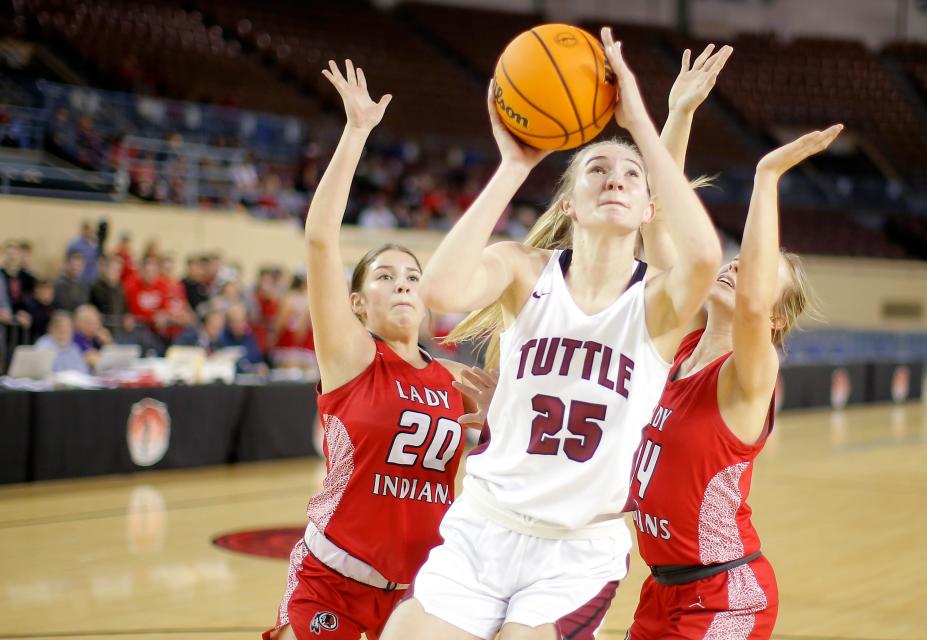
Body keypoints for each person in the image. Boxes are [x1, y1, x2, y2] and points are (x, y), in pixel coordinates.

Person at [381, 28, 723, 640]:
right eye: (597, 167)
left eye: (632, 174)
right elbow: (440, 290)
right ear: (568, 202)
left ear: (650, 209)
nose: (615, 178)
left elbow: (702, 256)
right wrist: (516, 164)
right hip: (483, 525)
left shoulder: (657, 303)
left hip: (577, 549)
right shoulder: (523, 269)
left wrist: (646, 121)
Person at [264, 60, 478, 640]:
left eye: (412, 275)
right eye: (384, 276)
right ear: (357, 304)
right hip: (333, 580)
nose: (404, 283)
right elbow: (319, 239)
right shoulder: (352, 357)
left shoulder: (455, 378)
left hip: (419, 593)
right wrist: (357, 130)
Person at [626, 125, 841, 640]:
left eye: (758, 273)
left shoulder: (750, 373)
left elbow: (747, 307)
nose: (739, 265)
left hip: (725, 594)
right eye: (738, 261)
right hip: (662, 587)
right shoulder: (676, 346)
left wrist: (766, 176)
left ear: (774, 319)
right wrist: (678, 114)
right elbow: (655, 230)